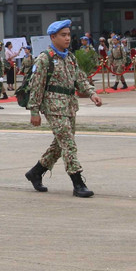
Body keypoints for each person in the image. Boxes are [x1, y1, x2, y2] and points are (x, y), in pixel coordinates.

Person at [24, 19, 102, 198]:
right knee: (68, 143)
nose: (67, 38)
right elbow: (36, 86)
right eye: (63, 35)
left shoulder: (70, 57)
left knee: (60, 145)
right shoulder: (45, 58)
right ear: (53, 37)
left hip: (69, 105)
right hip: (53, 107)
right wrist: (34, 111)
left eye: (68, 35)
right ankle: (77, 182)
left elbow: (80, 78)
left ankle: (36, 172)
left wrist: (92, 93)